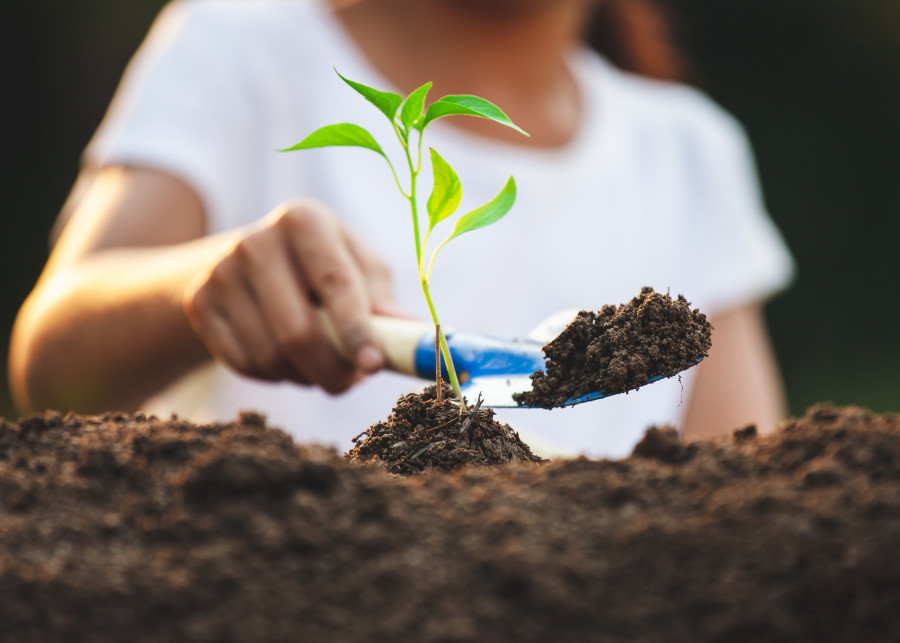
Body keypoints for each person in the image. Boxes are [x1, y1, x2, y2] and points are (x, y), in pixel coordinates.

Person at [8, 0, 794, 459]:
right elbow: (50, 367)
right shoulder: (244, 44)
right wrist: (198, 288)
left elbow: (738, 481)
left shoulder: (688, 149)